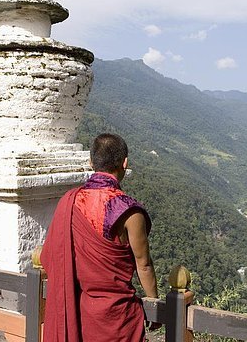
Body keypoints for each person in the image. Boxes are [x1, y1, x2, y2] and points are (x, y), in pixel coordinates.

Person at [41, 133, 159, 341]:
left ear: (91, 162)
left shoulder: (70, 202)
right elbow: (144, 265)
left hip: (82, 311)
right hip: (120, 316)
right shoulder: (129, 212)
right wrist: (154, 303)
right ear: (125, 163)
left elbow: (50, 258)